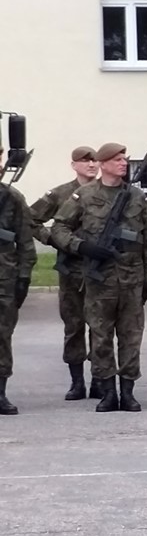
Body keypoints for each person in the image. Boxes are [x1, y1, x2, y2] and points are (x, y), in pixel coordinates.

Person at [50, 143, 147, 412]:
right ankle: (107, 391)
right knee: (100, 337)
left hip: (132, 278)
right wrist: (81, 246)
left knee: (131, 338)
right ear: (103, 163)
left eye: (125, 159)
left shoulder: (136, 196)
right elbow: (59, 228)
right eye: (118, 159)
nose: (124, 163)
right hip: (99, 281)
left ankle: (128, 392)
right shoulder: (83, 196)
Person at [28, 146, 97, 401]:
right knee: (74, 325)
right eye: (85, 160)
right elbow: (31, 218)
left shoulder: (107, 192)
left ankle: (101, 379)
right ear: (74, 165)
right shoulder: (60, 194)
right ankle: (77, 381)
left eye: (94, 160)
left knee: (101, 327)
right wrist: (52, 239)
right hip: (71, 269)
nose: (91, 164)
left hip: (101, 268)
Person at [0, 174, 35, 414]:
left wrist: (24, 277)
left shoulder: (11, 197)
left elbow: (25, 241)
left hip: (4, 278)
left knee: (2, 335)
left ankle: (0, 393)